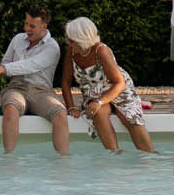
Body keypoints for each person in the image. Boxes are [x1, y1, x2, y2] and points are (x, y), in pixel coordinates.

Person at [61, 17, 155, 154]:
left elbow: (119, 82)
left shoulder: (101, 51)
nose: (68, 42)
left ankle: (150, 156)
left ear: (81, 39)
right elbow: (65, 82)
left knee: (129, 117)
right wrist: (71, 107)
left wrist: (99, 102)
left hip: (117, 89)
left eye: (71, 40)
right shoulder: (72, 51)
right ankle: (115, 156)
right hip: (93, 93)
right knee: (98, 114)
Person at [0, 6, 70, 155]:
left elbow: (32, 65)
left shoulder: (52, 47)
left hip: (41, 91)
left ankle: (63, 162)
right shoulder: (18, 39)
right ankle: (9, 159)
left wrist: (3, 69)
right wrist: (3, 68)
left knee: (60, 114)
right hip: (16, 88)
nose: (27, 29)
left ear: (44, 26)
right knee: (10, 109)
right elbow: (5, 62)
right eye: (26, 24)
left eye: (32, 26)